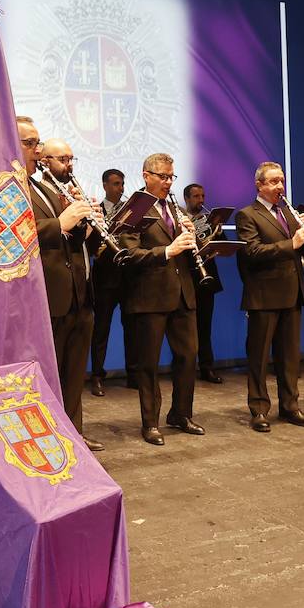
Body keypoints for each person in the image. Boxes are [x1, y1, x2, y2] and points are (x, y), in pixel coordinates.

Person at [17, 123, 104, 451]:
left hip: (78, 294)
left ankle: (73, 436)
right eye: (30, 143)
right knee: (49, 377)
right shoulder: (12, 187)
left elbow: (71, 241)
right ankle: (51, 440)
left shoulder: (47, 190)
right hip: (49, 297)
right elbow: (12, 234)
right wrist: (61, 223)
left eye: (37, 143)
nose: (36, 151)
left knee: (73, 374)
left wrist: (87, 223)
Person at [116, 153, 203, 445]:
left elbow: (187, 251)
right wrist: (168, 251)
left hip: (182, 293)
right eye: (162, 176)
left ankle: (180, 413)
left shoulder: (177, 209)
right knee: (149, 364)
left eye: (171, 177)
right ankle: (150, 422)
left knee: (189, 356)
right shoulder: (133, 209)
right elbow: (128, 255)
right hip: (149, 297)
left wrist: (196, 239)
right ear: (146, 175)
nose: (167, 182)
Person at [234, 162, 304, 432]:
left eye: (281, 181)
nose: (280, 186)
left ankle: (290, 406)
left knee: (290, 357)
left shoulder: (290, 213)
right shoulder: (247, 215)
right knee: (259, 357)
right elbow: (253, 252)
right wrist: (291, 243)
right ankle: (259, 409)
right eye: (273, 181)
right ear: (259, 185)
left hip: (292, 293)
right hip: (263, 295)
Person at [90, 168, 137, 395]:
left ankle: (133, 374)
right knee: (101, 329)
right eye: (116, 184)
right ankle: (97, 376)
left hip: (128, 277)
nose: (121, 188)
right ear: (105, 186)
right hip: (105, 278)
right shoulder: (96, 211)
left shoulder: (131, 210)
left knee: (132, 328)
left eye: (122, 183)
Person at [183, 182, 225, 383]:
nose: (201, 200)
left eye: (202, 196)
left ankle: (207, 367)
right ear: (187, 199)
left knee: (204, 326)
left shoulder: (209, 220)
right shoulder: (180, 219)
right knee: (184, 328)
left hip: (206, 278)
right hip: (186, 277)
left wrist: (218, 230)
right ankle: (185, 369)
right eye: (196, 196)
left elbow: (222, 247)